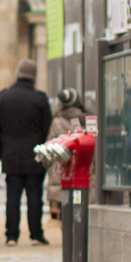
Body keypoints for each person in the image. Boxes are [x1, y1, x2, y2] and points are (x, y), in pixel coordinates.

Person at [0, 59, 52, 246]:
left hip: (10, 155)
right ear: (33, 77)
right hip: (35, 155)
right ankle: (36, 234)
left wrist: (0, 153)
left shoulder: (3, 97)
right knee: (34, 197)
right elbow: (47, 130)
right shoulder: (40, 99)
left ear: (17, 74)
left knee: (12, 198)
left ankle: (11, 235)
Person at [44, 88, 89, 220]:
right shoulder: (86, 120)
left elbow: (50, 148)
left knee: (66, 203)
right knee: (82, 204)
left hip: (63, 171)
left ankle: (68, 236)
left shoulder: (57, 122)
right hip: (84, 171)